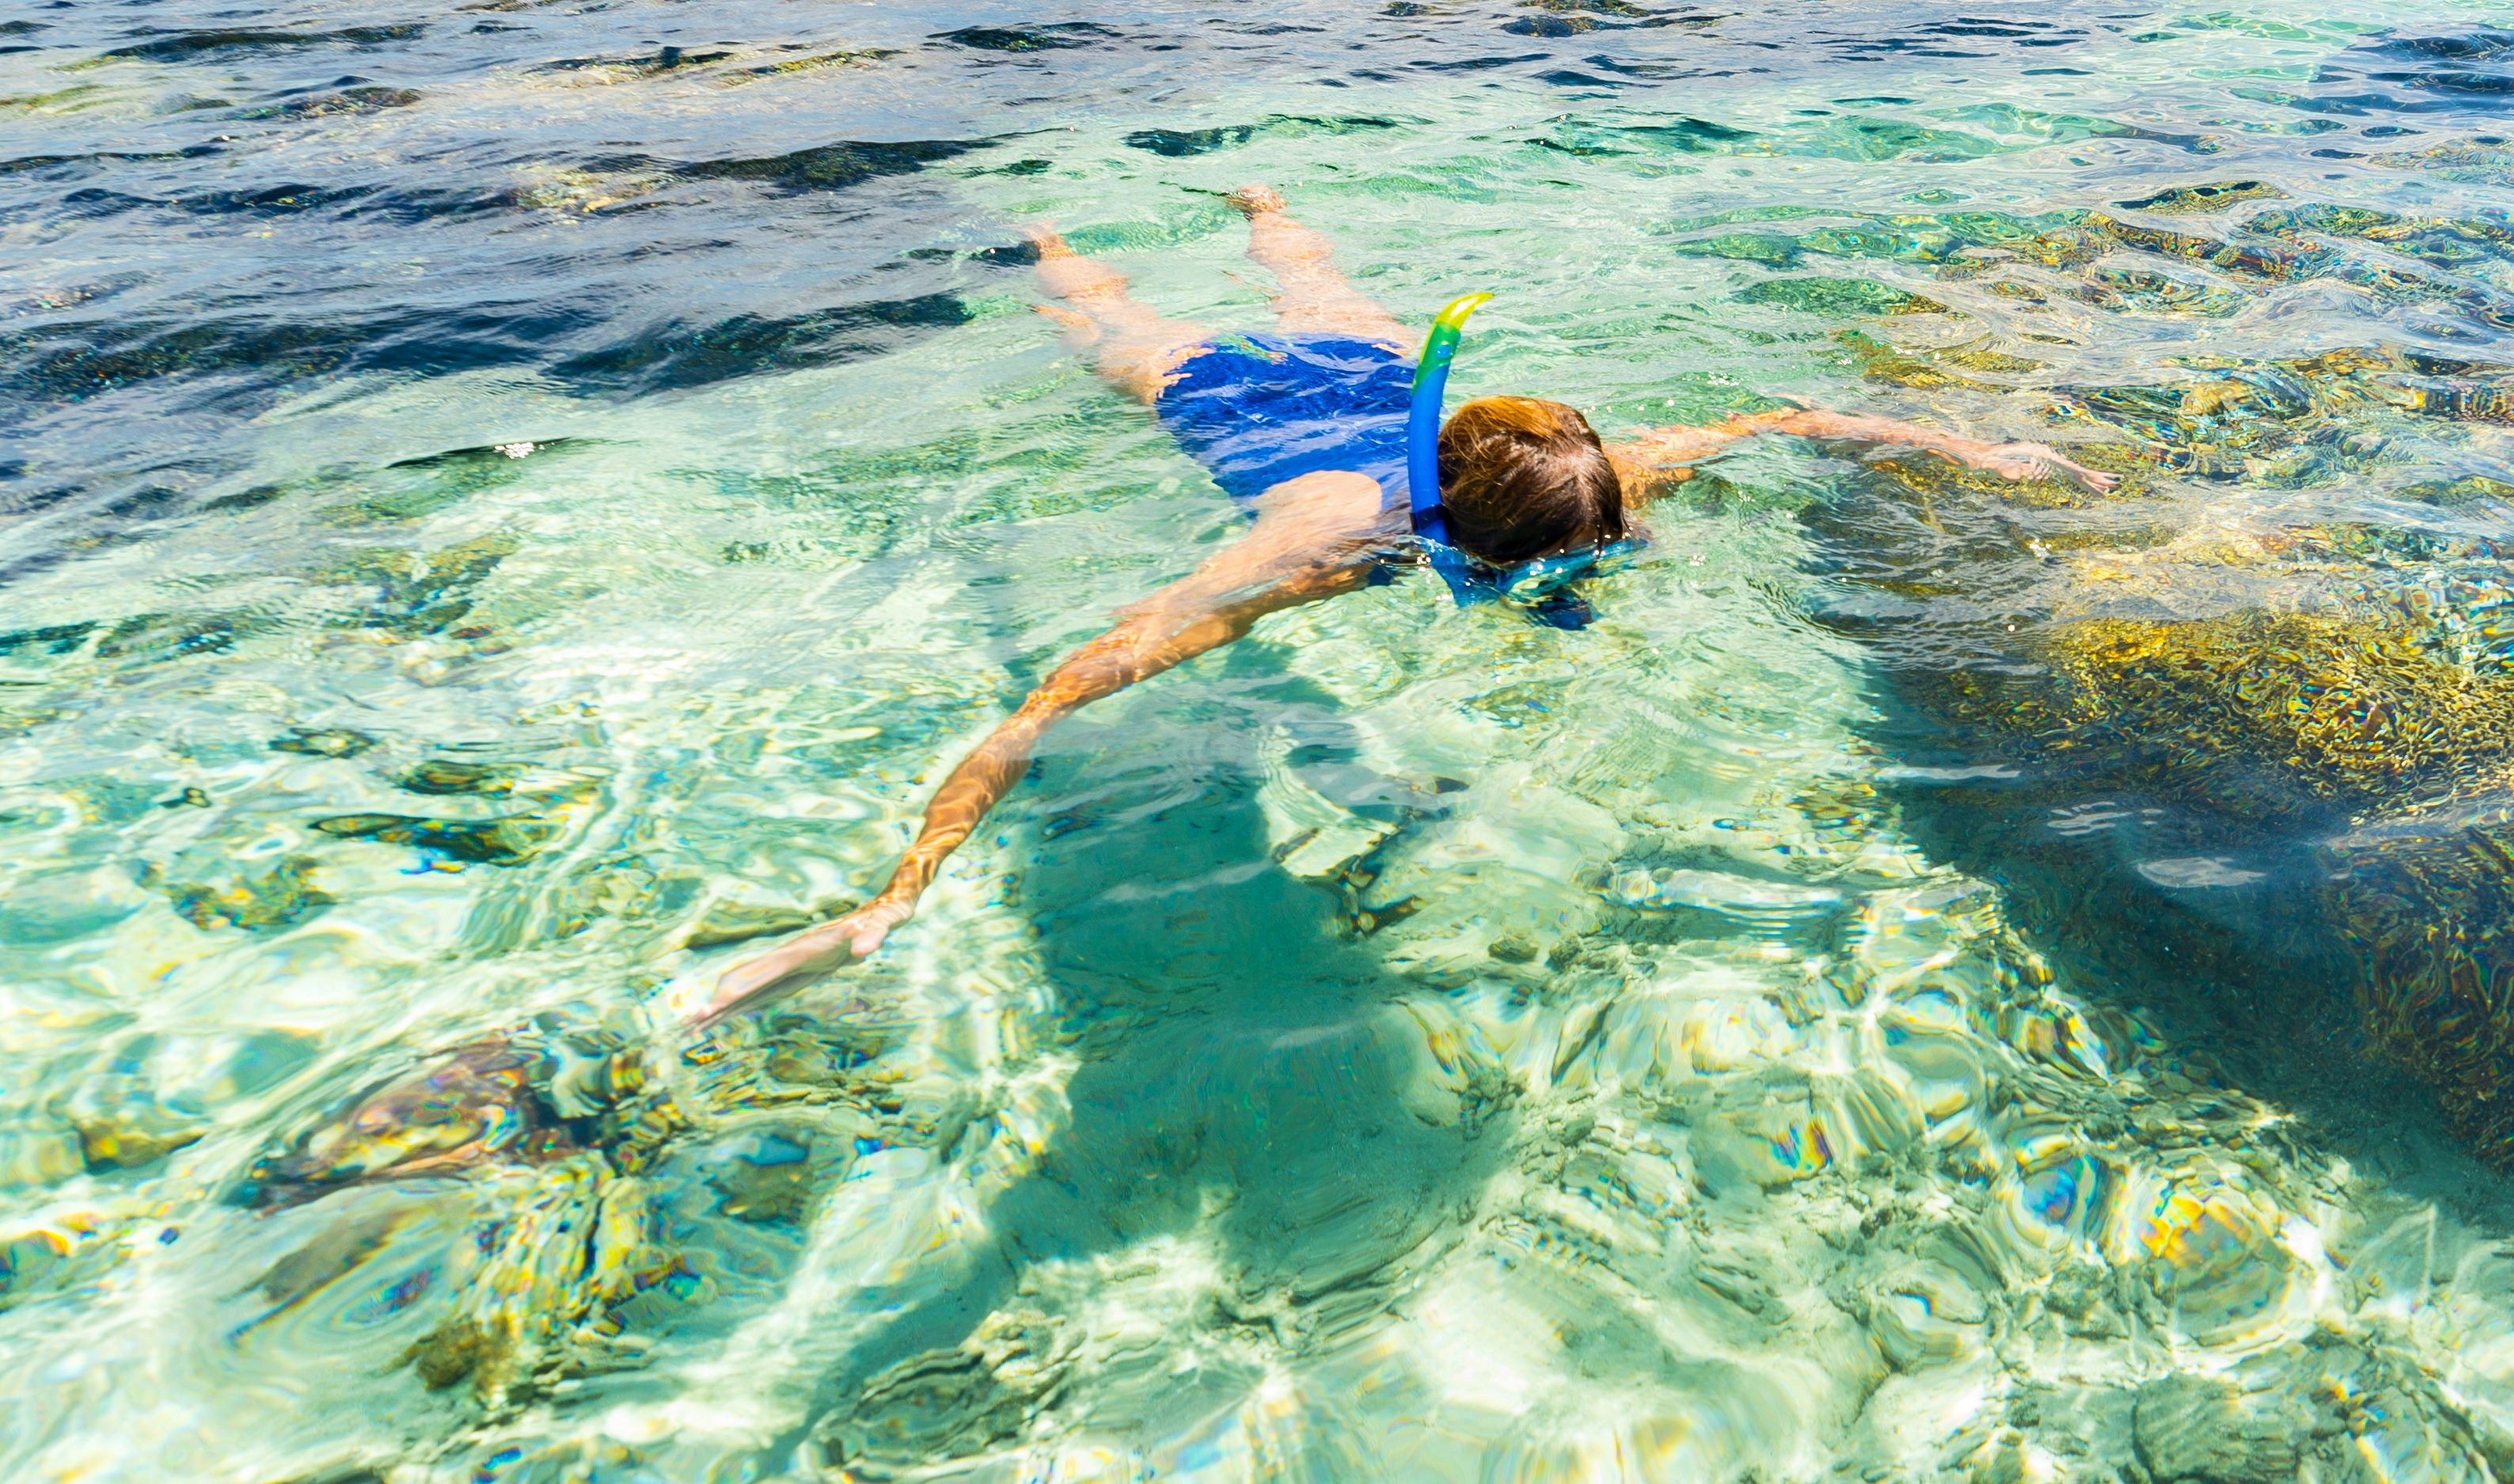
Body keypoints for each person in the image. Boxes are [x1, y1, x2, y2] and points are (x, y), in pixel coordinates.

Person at [670, 184, 2106, 1027]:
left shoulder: (1592, 480)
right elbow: (1055, 693)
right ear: (1462, 536)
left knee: (1319, 279)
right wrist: (891, 900)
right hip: (1252, 416)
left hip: (1380, 380)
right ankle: (1040, 232)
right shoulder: (1309, 552)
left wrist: (1983, 450)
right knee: (1112, 330)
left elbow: (1790, 418)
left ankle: (1257, 199)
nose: (1586, 573)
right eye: (1553, 571)